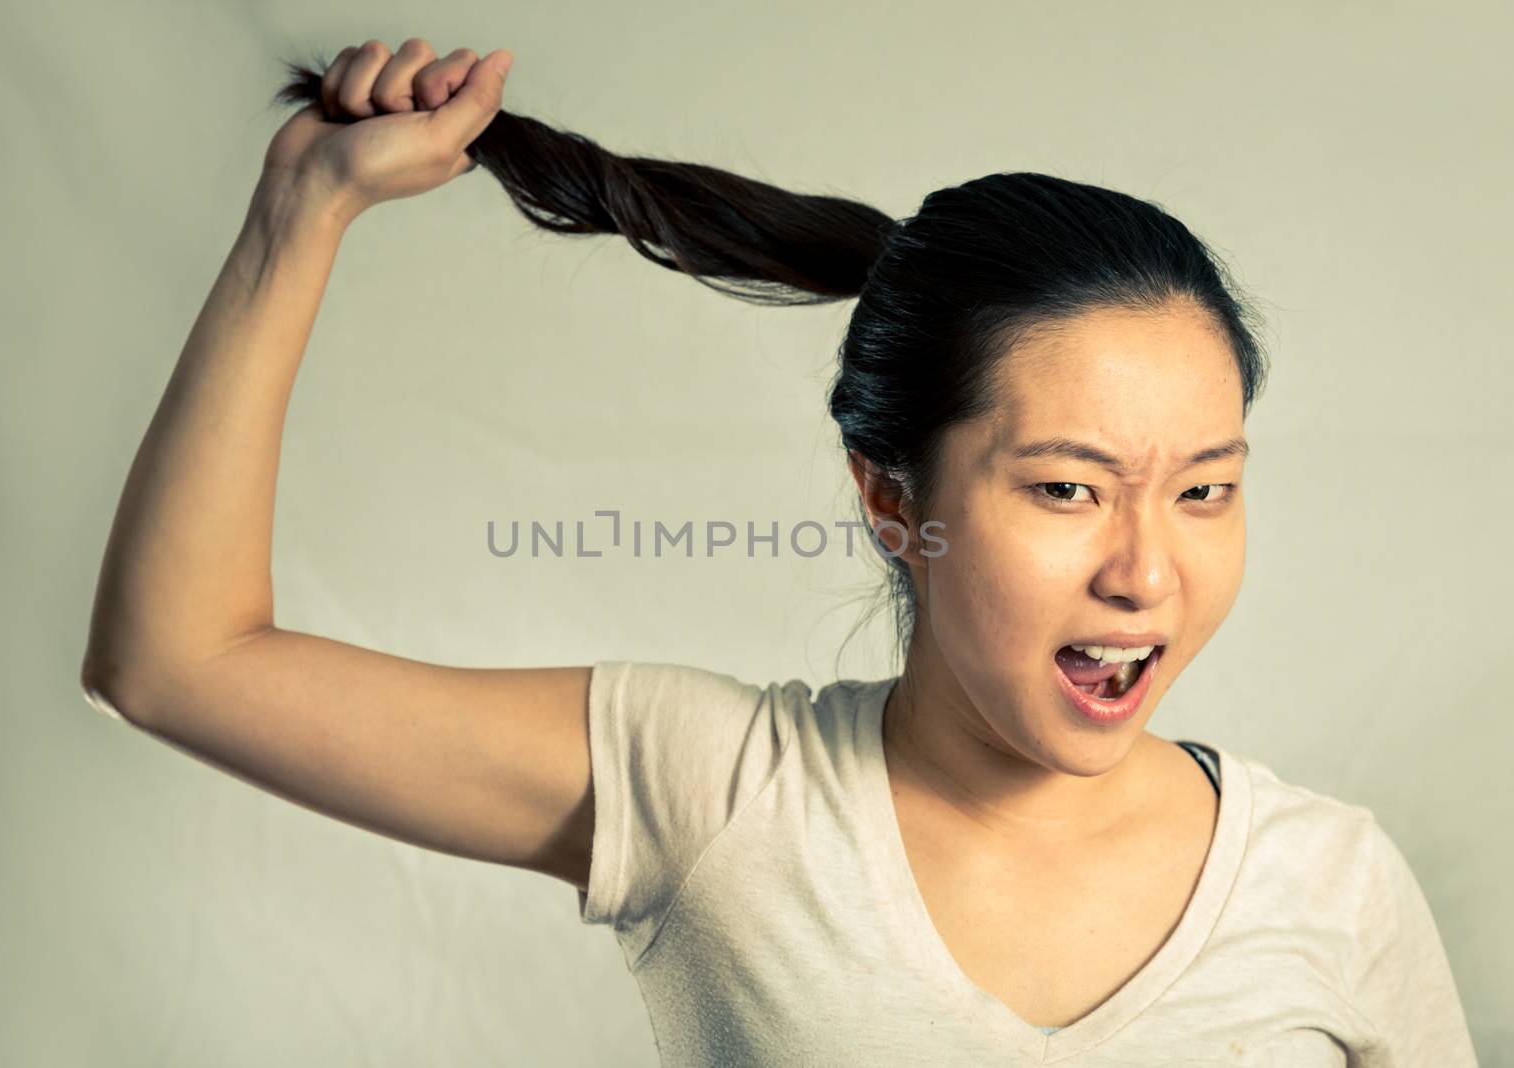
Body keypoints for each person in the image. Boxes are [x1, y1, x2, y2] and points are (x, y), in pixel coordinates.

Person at [79, 37, 1478, 1066]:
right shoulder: (717, 795)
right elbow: (176, 661)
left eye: (1205, 492)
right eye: (1066, 489)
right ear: (891, 502)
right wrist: (297, 215)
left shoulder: (1333, 885)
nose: (1145, 573)